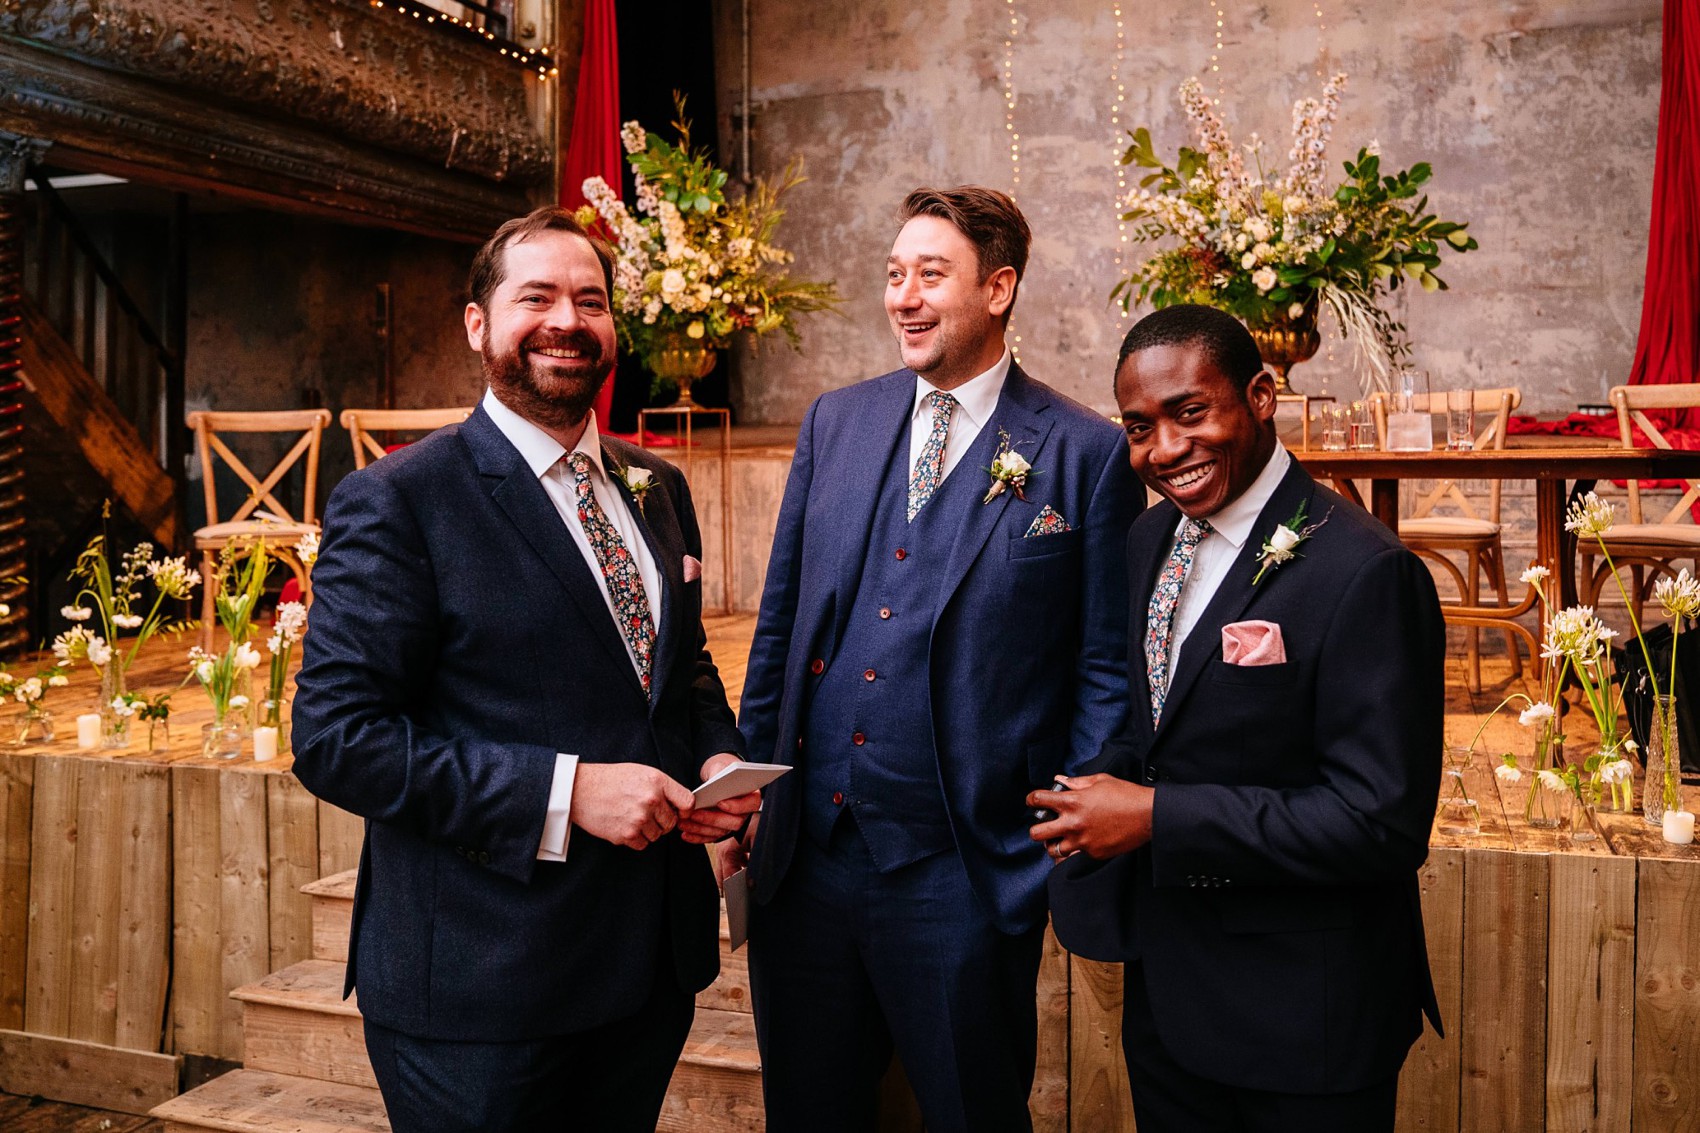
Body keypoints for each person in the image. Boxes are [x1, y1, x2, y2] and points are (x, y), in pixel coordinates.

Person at [290, 206, 758, 1133]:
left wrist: (716, 759)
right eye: (535, 296)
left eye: (591, 300)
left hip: (646, 967)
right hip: (482, 987)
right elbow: (338, 741)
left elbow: (681, 666)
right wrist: (568, 791)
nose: (568, 320)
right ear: (478, 324)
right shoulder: (399, 501)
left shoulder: (655, 486)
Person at [729, 185, 1141, 1132]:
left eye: (930, 274)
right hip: (810, 864)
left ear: (998, 289)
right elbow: (783, 623)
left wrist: (1045, 839)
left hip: (965, 867)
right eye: (893, 274)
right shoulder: (837, 421)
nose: (903, 296)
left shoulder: (1082, 453)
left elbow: (1106, 668)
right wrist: (748, 793)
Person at [1032, 303, 1444, 1132]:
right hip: (1173, 1001)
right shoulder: (1148, 541)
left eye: (1191, 412)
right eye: (1140, 427)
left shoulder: (1366, 571)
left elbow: (1380, 823)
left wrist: (1155, 817)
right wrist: (1087, 793)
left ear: (1261, 395)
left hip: (1306, 1020)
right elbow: (1163, 725)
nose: (1166, 449)